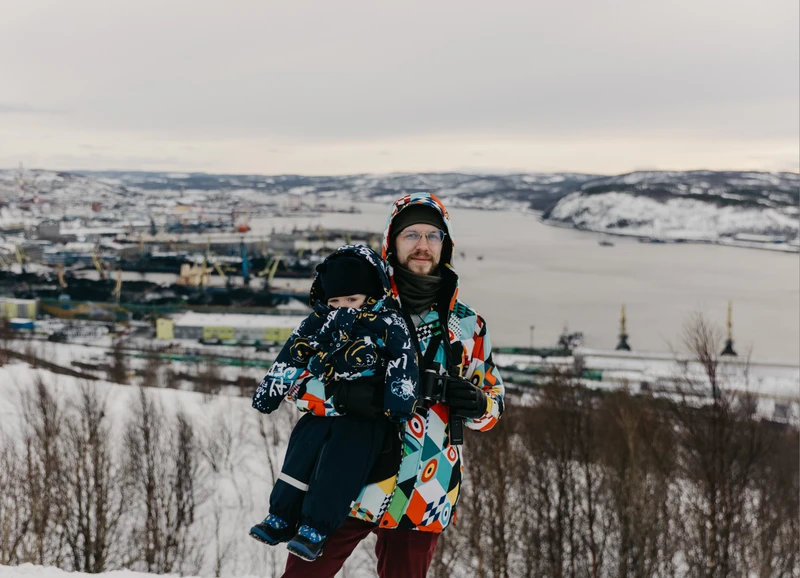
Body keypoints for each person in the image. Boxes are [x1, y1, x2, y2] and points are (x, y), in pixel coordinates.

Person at [280, 193, 505, 578]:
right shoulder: (359, 308)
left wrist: (478, 404)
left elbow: (493, 406)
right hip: (345, 481)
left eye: (433, 235)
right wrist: (342, 396)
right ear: (391, 243)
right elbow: (292, 380)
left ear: (446, 244)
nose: (422, 245)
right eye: (411, 234)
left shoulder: (469, 325)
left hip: (424, 492)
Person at [250, 244, 419, 561]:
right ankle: (281, 516)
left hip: (363, 417)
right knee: (299, 457)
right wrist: (270, 391)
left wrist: (399, 402)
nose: (343, 308)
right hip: (321, 409)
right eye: (335, 302)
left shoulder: (387, 323)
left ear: (371, 295)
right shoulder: (317, 323)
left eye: (352, 300)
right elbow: (291, 356)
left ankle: (316, 527)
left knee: (339, 468)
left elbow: (403, 360)